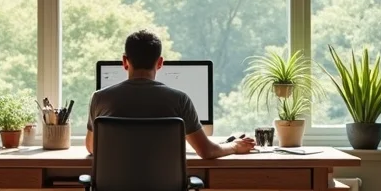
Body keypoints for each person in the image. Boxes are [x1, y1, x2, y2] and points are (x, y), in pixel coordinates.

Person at [85, 30, 256, 158]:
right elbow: (206, 151)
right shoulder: (180, 100)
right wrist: (235, 146)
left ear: (124, 61)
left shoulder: (100, 99)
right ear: (160, 63)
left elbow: (92, 147)